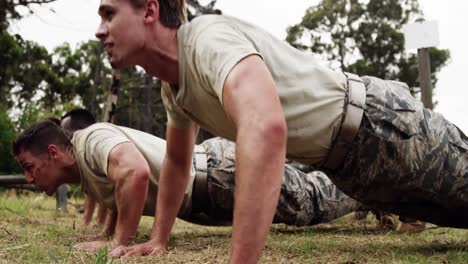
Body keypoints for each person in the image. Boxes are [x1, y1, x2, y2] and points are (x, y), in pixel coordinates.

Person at [94, 0, 468, 262]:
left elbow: (266, 128)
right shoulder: (172, 88)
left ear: (150, 10)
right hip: (351, 172)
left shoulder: (206, 38)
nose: (100, 31)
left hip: (381, 125)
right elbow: (177, 162)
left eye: (108, 14)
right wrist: (158, 239)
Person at [13, 119, 362, 251]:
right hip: (209, 188)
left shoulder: (91, 138)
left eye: (30, 168)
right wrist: (106, 233)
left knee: (312, 203)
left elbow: (133, 173)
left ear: (54, 152)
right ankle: (363, 188)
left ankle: (371, 190)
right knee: (308, 194)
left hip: (218, 175)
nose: (29, 179)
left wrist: (118, 243)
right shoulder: (86, 168)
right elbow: (115, 192)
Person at [61, 109, 107, 227]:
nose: (64, 140)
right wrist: (85, 223)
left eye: (65, 134)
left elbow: (108, 189)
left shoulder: (99, 146)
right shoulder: (82, 152)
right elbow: (90, 189)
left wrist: (102, 226)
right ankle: (87, 221)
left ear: (81, 129)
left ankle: (101, 222)